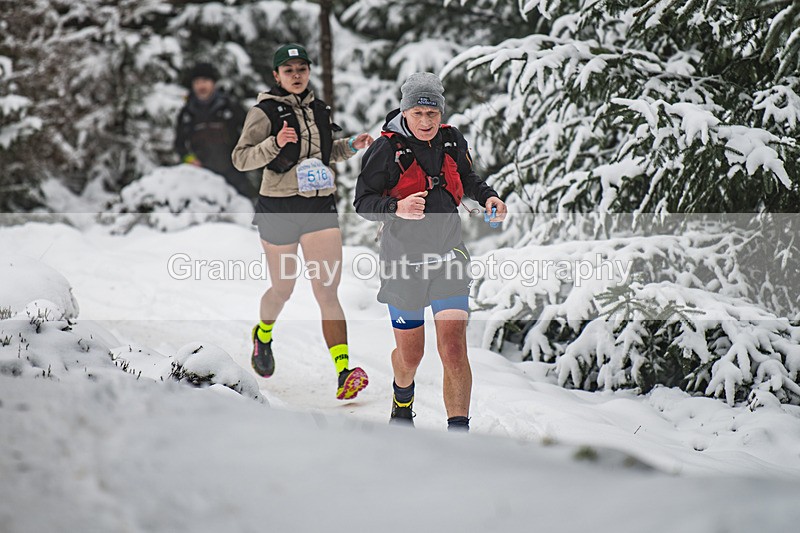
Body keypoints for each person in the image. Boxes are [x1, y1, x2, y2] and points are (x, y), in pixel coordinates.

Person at [354, 72, 507, 431]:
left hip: (449, 255)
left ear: (441, 113)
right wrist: (397, 208)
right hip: (403, 261)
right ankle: (402, 398)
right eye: (418, 114)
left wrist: (489, 197)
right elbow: (362, 202)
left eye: (432, 114)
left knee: (453, 349)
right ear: (405, 112)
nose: (426, 122)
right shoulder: (385, 149)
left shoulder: (452, 140)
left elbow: (468, 179)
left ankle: (458, 433)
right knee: (411, 356)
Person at [232, 43, 374, 400]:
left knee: (326, 290)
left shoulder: (319, 110)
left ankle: (344, 371)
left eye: (302, 69)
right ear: (276, 76)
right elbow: (240, 159)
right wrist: (274, 144)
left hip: (319, 206)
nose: (296, 75)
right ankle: (263, 335)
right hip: (279, 207)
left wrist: (351, 146)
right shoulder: (263, 113)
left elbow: (325, 153)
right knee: (283, 289)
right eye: (289, 70)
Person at [175, 62, 256, 198]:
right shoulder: (187, 113)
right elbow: (179, 144)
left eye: (205, 81)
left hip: (234, 171)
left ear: (213, 83)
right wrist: (189, 159)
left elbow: (252, 129)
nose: (201, 86)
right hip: (202, 175)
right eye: (197, 82)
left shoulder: (229, 106)